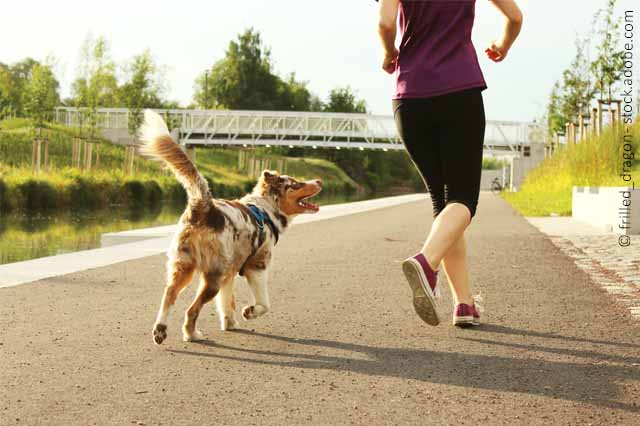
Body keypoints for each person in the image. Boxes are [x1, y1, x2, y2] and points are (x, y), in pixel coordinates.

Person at [377, 0, 523, 327]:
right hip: (459, 91)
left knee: (443, 203)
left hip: (409, 97)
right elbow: (514, 16)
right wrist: (502, 46)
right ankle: (426, 263)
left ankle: (464, 304)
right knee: (463, 200)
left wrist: (388, 53)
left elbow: (386, 23)